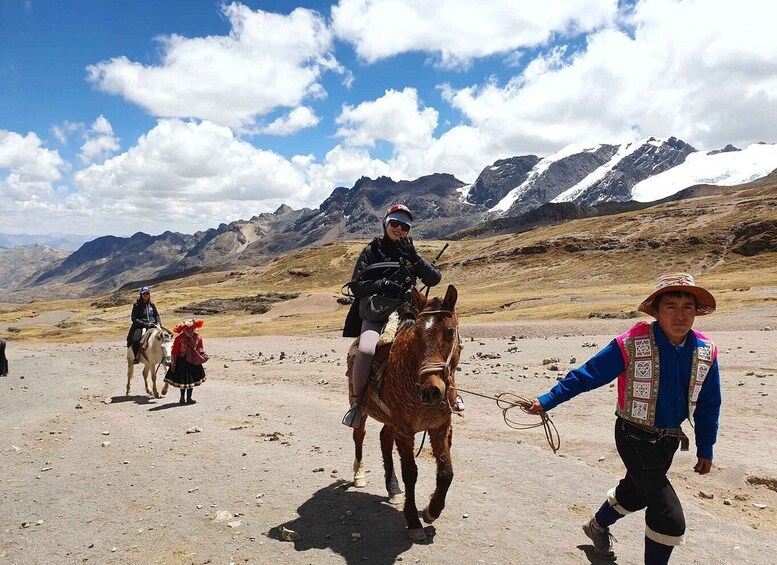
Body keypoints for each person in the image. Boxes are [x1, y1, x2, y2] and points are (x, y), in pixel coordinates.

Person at [527, 273, 721, 565]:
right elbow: (587, 375)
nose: (681, 314)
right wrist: (547, 400)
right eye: (671, 306)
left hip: (667, 439)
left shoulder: (706, 352)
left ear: (696, 312)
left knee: (636, 493)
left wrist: (706, 446)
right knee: (668, 515)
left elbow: (709, 403)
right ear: (656, 311)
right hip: (632, 435)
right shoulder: (631, 343)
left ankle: (597, 526)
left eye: (687, 307)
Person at [341, 204, 444, 428]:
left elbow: (434, 278)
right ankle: (357, 405)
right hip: (377, 313)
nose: (399, 229)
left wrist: (414, 257)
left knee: (440, 345)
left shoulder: (410, 251)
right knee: (367, 350)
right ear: (386, 224)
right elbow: (356, 286)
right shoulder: (372, 250)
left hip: (408, 312)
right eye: (394, 224)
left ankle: (449, 397)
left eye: (404, 226)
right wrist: (381, 284)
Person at [164, 319, 208, 405]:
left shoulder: (198, 337)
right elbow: (174, 353)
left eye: (192, 328)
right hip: (182, 362)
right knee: (183, 382)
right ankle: (182, 397)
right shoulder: (179, 339)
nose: (190, 330)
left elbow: (200, 349)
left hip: (193, 362)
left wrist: (201, 356)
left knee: (191, 382)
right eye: (188, 328)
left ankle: (189, 398)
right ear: (184, 329)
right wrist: (173, 364)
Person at [126, 286, 161, 362]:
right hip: (141, 326)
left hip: (154, 325)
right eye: (144, 293)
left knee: (165, 336)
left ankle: (164, 357)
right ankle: (136, 357)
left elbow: (156, 315)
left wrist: (158, 323)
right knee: (135, 340)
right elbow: (134, 319)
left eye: (147, 293)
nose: (146, 295)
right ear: (141, 295)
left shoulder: (152, 305)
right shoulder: (137, 305)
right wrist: (145, 324)